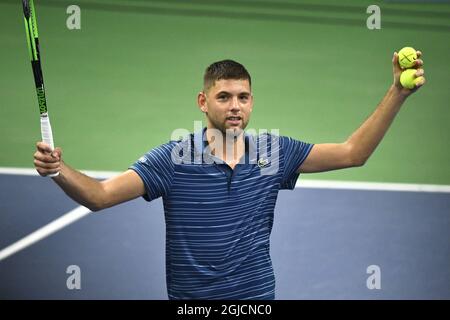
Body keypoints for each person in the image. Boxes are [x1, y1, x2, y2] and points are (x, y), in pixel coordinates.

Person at [33, 54, 425, 299]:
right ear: (203, 102)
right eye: (224, 97)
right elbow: (100, 196)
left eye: (242, 97)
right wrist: (59, 169)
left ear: (252, 101)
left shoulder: (273, 153)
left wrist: (397, 93)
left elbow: (353, 153)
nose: (234, 106)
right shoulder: (173, 158)